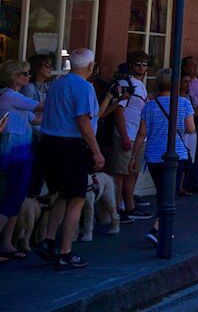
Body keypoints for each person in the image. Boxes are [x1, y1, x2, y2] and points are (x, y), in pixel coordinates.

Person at [36, 48, 110, 269]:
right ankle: (65, 251)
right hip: (71, 146)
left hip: (50, 143)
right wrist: (96, 150)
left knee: (61, 194)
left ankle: (49, 241)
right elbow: (83, 121)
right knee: (76, 198)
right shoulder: (84, 87)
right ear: (90, 66)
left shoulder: (58, 83)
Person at [135, 68, 195, 245]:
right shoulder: (182, 103)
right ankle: (159, 229)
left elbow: (141, 133)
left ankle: (161, 229)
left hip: (153, 155)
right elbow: (190, 128)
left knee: (162, 192)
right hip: (176, 154)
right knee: (169, 195)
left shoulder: (150, 105)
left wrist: (133, 157)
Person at [0, 59, 41, 260]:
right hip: (13, 152)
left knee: (16, 199)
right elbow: (39, 106)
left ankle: (7, 242)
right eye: (24, 74)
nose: (28, 77)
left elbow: (35, 119)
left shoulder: (15, 97)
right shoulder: (9, 96)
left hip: (22, 150)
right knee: (12, 197)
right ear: (15, 76)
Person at [107, 51, 151, 224]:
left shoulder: (141, 85)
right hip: (126, 135)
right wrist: (124, 136)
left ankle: (129, 206)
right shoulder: (126, 84)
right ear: (131, 65)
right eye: (138, 64)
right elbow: (119, 111)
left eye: (144, 64)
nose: (141, 67)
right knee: (120, 173)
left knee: (133, 172)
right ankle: (117, 209)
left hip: (139, 137)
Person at [181, 56, 198, 192]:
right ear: (185, 67)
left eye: (196, 65)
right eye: (192, 65)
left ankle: (195, 180)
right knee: (187, 152)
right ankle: (184, 183)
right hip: (188, 119)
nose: (195, 68)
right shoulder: (182, 83)